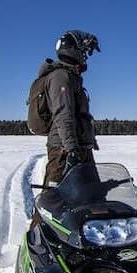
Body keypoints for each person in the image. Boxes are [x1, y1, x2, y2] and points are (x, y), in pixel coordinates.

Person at [30, 30, 101, 187]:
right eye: (83, 52)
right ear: (73, 50)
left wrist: (88, 140)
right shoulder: (61, 77)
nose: (84, 56)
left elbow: (79, 114)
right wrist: (71, 149)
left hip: (79, 148)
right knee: (53, 199)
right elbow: (63, 114)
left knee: (92, 194)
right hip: (64, 151)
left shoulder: (72, 77)